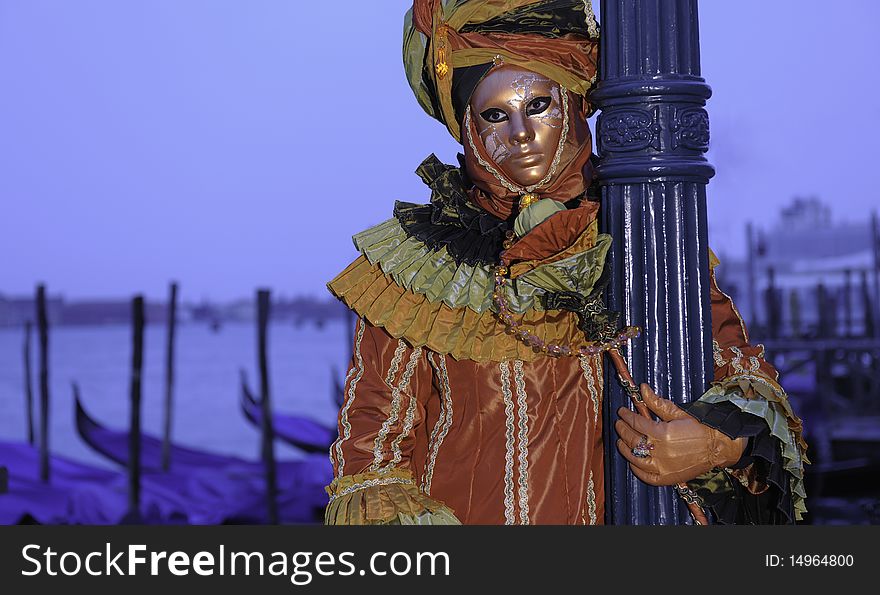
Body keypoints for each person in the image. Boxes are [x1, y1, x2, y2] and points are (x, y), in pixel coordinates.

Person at [323, 0, 807, 525]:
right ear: (468, 129)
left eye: (537, 106)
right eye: (494, 115)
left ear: (573, 106)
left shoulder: (650, 240)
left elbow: (751, 387)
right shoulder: (419, 271)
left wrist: (715, 444)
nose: (520, 134)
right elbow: (373, 460)